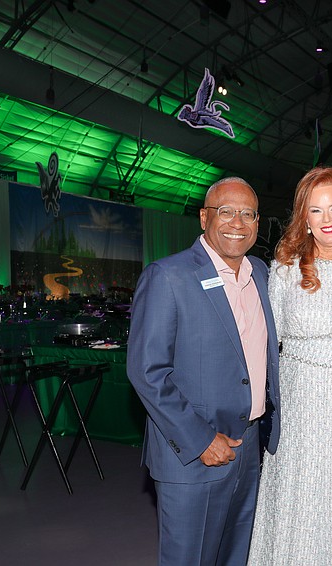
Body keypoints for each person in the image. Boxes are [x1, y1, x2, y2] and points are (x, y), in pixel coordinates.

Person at [127, 177, 281, 566]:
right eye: (225, 211)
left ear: (258, 223)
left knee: (236, 556)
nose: (237, 222)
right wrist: (200, 439)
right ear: (203, 217)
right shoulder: (168, 276)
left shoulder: (261, 274)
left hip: (249, 449)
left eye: (248, 214)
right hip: (194, 453)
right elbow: (147, 372)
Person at [248, 165, 332, 565]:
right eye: (315, 211)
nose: (327, 219)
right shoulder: (285, 269)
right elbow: (266, 345)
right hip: (299, 411)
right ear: (304, 219)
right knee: (300, 500)